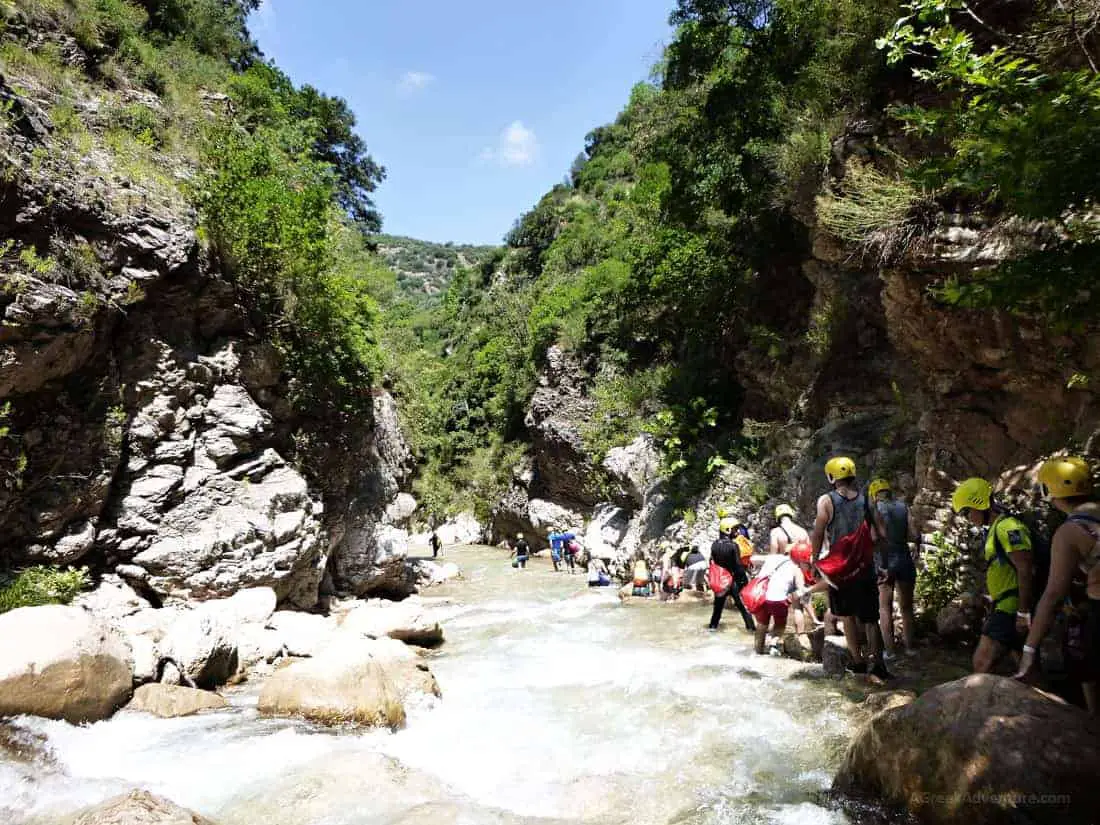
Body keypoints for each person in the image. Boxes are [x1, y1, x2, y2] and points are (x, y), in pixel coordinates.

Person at [1016, 456, 1100, 715]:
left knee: (1090, 673)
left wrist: (1029, 650)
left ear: (1049, 491)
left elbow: (1053, 595)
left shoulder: (1069, 533)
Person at [810, 457, 892, 680]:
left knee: (846, 616)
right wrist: (881, 562)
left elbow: (818, 531)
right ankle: (878, 663)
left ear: (831, 476)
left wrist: (814, 559)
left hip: (840, 571)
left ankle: (857, 662)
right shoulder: (867, 500)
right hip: (865, 567)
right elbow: (883, 534)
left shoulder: (826, 501)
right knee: (870, 618)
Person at [951, 477, 1035, 673]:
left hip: (1010, 607)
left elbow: (1025, 568)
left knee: (981, 663)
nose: (967, 517)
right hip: (1004, 603)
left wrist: (1023, 612)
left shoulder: (1008, 527)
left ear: (979, 505)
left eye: (966, 511)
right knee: (1025, 668)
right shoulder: (996, 528)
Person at [870, 478, 917, 660]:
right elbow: (914, 534)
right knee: (906, 607)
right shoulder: (904, 507)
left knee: (884, 608)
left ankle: (890, 652)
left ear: (875, 494)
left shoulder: (875, 509)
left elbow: (874, 538)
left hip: (884, 560)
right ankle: (910, 648)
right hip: (904, 558)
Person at [771, 504, 819, 633]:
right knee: (801, 600)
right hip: (801, 568)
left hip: (786, 568)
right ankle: (807, 628)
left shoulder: (776, 532)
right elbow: (809, 552)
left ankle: (797, 635)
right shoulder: (802, 531)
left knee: (794, 606)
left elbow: (773, 556)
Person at [750, 550, 804, 655]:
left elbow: (753, 559)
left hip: (760, 596)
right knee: (780, 625)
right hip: (778, 600)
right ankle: (772, 645)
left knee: (761, 625)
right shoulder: (796, 568)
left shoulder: (772, 558)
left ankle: (758, 652)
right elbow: (800, 589)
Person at [709, 518, 756, 632]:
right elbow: (738, 566)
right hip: (733, 581)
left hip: (720, 582)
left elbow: (712, 562)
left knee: (717, 610)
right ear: (728, 530)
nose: (737, 532)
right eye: (735, 529)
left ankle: (712, 630)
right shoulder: (733, 545)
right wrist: (744, 582)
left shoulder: (714, 545)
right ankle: (751, 631)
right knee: (743, 608)